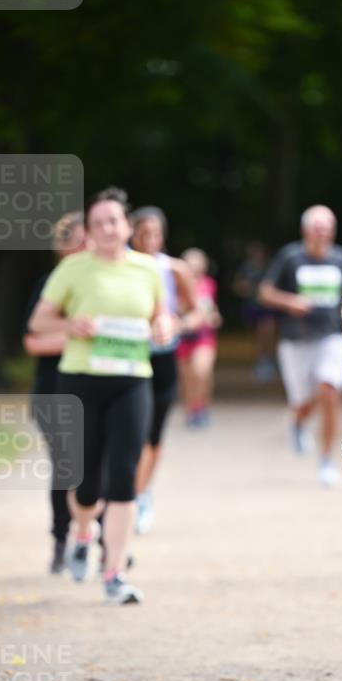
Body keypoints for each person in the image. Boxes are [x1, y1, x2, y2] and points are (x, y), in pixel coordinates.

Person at [28, 187, 170, 605]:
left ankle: (113, 573)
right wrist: (72, 324)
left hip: (132, 381)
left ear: (126, 226)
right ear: (88, 232)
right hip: (81, 381)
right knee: (86, 482)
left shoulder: (147, 270)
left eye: (114, 221)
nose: (107, 228)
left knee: (123, 476)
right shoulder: (74, 269)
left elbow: (162, 317)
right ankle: (84, 531)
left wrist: (165, 328)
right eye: (98, 223)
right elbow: (39, 321)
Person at [259, 205, 342, 487]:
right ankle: (298, 422)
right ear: (306, 230)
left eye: (327, 227)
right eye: (317, 227)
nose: (322, 232)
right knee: (303, 401)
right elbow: (265, 292)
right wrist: (290, 302)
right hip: (296, 339)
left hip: (333, 335)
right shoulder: (291, 256)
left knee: (330, 388)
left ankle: (326, 459)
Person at [22, 212, 88, 573]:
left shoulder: (102, 283)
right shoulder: (50, 285)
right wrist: (77, 338)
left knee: (97, 464)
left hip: (96, 385)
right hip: (54, 389)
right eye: (77, 241)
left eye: (86, 240)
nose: (84, 247)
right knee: (66, 466)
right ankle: (61, 540)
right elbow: (32, 341)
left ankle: (98, 535)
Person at [129, 206, 200, 533]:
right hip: (127, 357)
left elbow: (199, 313)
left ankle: (141, 493)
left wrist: (177, 324)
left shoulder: (174, 269)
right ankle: (125, 493)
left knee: (153, 432)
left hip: (161, 356)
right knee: (130, 429)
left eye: (154, 233)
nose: (148, 239)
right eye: (142, 232)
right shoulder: (120, 265)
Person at [176, 248, 221, 427]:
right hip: (184, 335)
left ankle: (202, 407)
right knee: (187, 378)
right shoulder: (177, 285)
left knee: (201, 372)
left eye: (198, 264)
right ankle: (191, 410)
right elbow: (177, 310)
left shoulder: (209, 283)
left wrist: (215, 316)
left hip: (204, 335)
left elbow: (211, 307)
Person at [232, 241, 278, 383]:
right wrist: (246, 287)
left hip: (268, 306)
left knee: (268, 332)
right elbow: (237, 285)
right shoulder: (246, 268)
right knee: (258, 335)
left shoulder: (271, 266)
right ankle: (261, 362)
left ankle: (269, 361)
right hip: (252, 305)